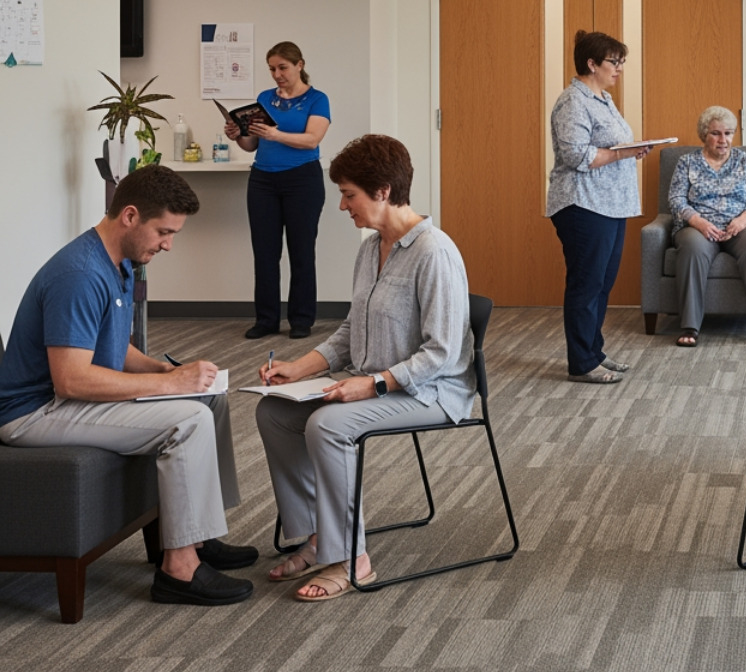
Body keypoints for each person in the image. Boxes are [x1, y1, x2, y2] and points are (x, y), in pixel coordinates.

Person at [0, 165, 256, 606]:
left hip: (61, 401)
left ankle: (198, 536)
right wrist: (172, 384)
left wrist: (162, 371)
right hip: (34, 414)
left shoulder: (117, 262)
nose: (169, 244)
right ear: (131, 216)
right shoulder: (79, 274)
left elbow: (115, 351)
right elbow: (72, 379)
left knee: (207, 401)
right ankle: (179, 570)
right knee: (190, 419)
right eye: (164, 231)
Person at [254, 134, 475, 601]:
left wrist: (373, 385)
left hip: (429, 392)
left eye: (349, 194)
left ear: (383, 191)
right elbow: (351, 332)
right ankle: (318, 537)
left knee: (328, 426)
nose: (342, 205)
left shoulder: (434, 252)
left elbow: (441, 353)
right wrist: (300, 368)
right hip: (374, 385)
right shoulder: (370, 249)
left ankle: (351, 557)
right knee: (273, 412)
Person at [547, 30, 653, 383]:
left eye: (621, 62)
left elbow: (610, 146)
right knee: (586, 284)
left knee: (602, 283)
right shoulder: (572, 101)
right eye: (614, 62)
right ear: (591, 64)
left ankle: (594, 352)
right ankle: (581, 363)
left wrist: (633, 148)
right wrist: (623, 151)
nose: (619, 68)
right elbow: (575, 154)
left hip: (611, 204)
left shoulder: (603, 99)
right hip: (583, 205)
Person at [225, 41, 332, 340]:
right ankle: (267, 319)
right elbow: (252, 144)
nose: (277, 74)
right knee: (265, 253)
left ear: (300, 65)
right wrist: (237, 135)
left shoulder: (317, 99)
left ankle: (301, 320)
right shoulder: (264, 99)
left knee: (301, 253)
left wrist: (276, 133)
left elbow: (311, 140)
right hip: (263, 180)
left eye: (282, 67)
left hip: (303, 181)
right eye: (272, 69)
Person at [668, 105, 746, 348]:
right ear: (704, 134)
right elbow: (675, 200)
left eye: (728, 133)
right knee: (692, 248)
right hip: (698, 228)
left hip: (740, 226)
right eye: (716, 133)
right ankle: (690, 325)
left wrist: (743, 219)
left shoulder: (745, 161)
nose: (723, 140)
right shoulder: (687, 163)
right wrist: (698, 222)